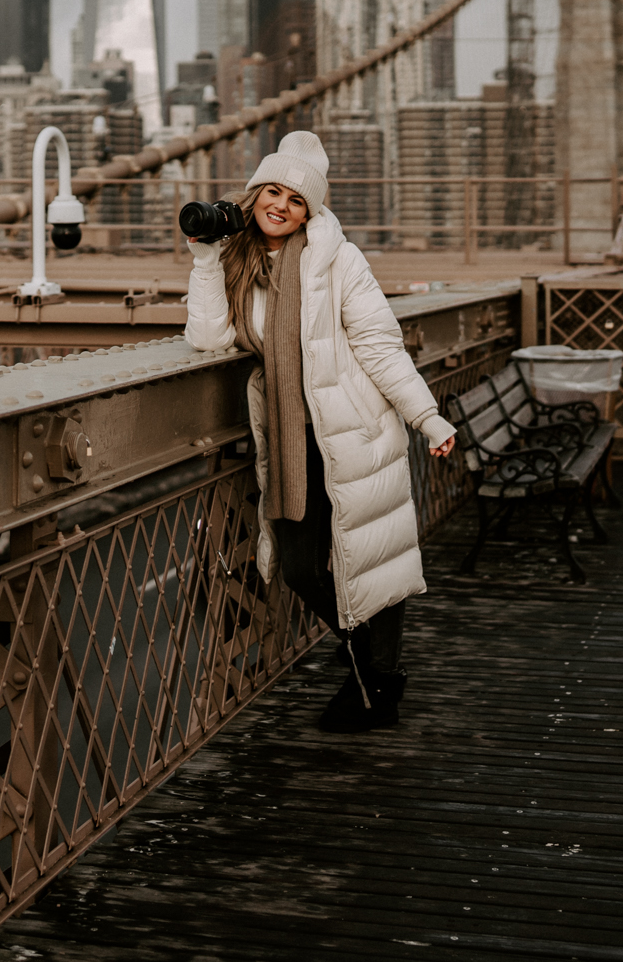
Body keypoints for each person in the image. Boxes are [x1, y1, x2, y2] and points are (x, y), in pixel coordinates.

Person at [183, 131, 456, 732]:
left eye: (297, 200)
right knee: (303, 567)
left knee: (371, 562)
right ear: (254, 195)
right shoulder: (235, 259)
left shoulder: (340, 260)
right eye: (272, 192)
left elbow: (380, 346)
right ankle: (376, 670)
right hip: (288, 438)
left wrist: (427, 415)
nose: (281, 206)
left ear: (313, 210)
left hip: (353, 431)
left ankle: (374, 686)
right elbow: (207, 338)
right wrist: (204, 257)